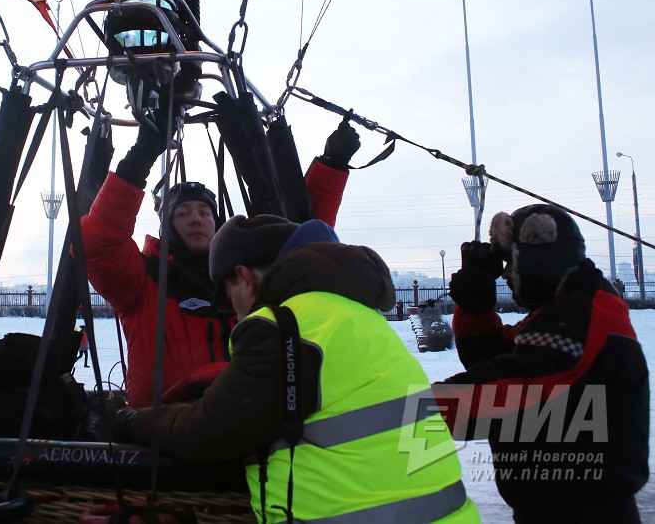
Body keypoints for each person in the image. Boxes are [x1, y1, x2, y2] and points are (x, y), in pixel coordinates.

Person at [124, 215, 477, 522]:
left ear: (245, 279)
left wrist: (133, 420)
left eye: (230, 297)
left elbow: (208, 431)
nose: (235, 312)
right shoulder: (355, 314)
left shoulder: (282, 326)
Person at [80, 117, 361, 408]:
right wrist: (142, 154)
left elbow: (302, 248)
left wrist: (332, 165)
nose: (196, 219)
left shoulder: (243, 278)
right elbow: (97, 244)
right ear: (167, 226)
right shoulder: (143, 280)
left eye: (205, 212)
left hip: (243, 421)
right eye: (183, 213)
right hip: (161, 427)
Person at [434, 205, 649, 522]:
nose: (506, 275)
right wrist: (475, 307)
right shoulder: (563, 310)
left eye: (512, 263)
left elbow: (516, 388)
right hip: (558, 505)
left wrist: (416, 413)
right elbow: (497, 359)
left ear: (538, 259)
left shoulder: (583, 315)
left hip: (585, 513)